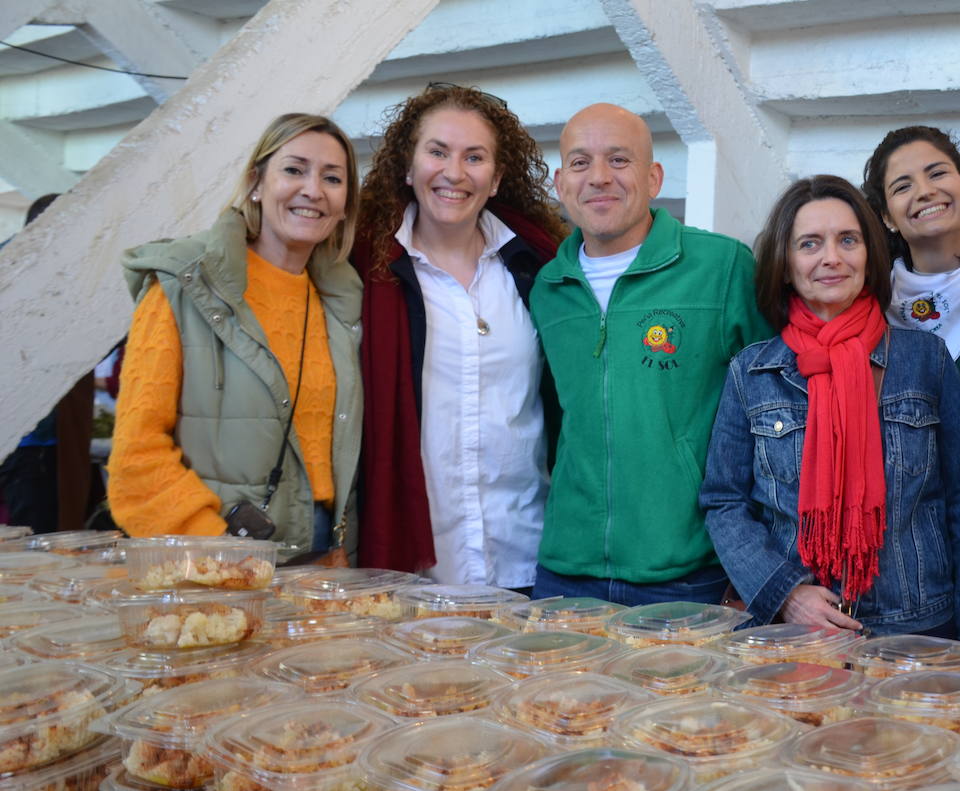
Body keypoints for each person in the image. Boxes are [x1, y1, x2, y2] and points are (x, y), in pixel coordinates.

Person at [699, 176, 960, 639]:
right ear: (786, 262)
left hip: (918, 631)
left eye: (848, 240)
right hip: (796, 638)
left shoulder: (925, 360)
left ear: (869, 253)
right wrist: (787, 595)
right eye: (810, 243)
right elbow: (723, 502)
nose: (831, 258)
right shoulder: (751, 372)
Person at [529, 103, 773, 606]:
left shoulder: (721, 267)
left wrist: (753, 560)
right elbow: (556, 421)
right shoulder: (547, 290)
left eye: (619, 160)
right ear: (559, 183)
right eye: (580, 163)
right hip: (565, 571)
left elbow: (776, 418)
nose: (599, 177)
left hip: (690, 572)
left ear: (654, 176)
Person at [110, 113, 362, 555]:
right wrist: (218, 547)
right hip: (217, 549)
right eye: (294, 169)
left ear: (345, 204)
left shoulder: (343, 303)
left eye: (333, 178)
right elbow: (137, 454)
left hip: (322, 555)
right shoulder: (185, 285)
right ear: (256, 184)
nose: (313, 190)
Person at [352, 84, 565, 587]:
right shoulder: (361, 271)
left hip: (528, 553)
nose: (454, 172)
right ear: (408, 167)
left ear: (495, 179)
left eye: (475, 157)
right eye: (438, 152)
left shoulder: (540, 268)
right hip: (416, 562)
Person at [861, 126, 960, 434]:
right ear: (887, 217)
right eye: (902, 187)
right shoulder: (869, 311)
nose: (924, 191)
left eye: (936, 174)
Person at [1, 193, 96, 533]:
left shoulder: (11, 263)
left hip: (27, 439)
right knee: (40, 543)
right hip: (41, 442)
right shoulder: (50, 281)